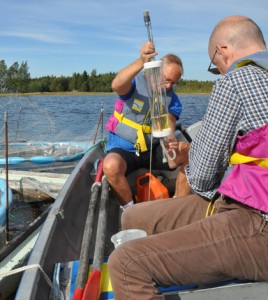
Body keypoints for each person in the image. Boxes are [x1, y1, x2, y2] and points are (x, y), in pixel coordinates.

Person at [108, 15, 268, 299]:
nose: (220, 73)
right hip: (245, 199)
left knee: (126, 263)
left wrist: (188, 155)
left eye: (215, 66)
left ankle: (170, 259)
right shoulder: (140, 84)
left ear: (222, 51)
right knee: (132, 216)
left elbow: (204, 176)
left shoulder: (237, 78)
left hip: (256, 217)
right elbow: (118, 84)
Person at [103, 41, 190, 209]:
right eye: (166, 80)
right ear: (156, 70)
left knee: (192, 153)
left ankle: (178, 205)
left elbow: (170, 126)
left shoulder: (173, 99)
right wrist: (141, 60)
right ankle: (130, 212)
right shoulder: (134, 83)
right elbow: (117, 84)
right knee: (110, 165)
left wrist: (171, 140)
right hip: (124, 149)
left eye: (174, 82)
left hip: (153, 150)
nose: (168, 86)